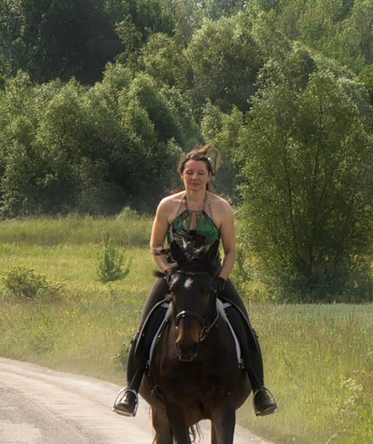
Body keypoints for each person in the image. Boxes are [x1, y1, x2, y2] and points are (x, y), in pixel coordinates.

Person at [110, 146, 278, 418]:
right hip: (174, 276)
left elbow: (231, 249)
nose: (195, 177)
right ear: (182, 176)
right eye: (189, 172)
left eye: (200, 173)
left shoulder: (222, 208)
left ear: (210, 175)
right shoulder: (168, 206)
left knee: (246, 329)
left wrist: (221, 279)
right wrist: (168, 272)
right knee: (144, 329)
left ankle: (260, 391)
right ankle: (130, 390)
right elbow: (155, 246)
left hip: (212, 277)